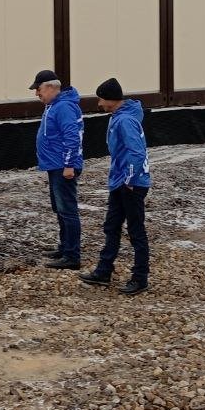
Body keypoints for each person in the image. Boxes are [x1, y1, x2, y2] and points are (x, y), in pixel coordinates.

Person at [79, 77, 152, 296]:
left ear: (110, 99)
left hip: (130, 183)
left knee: (136, 230)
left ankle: (140, 278)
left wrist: (129, 179)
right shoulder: (120, 117)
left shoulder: (124, 121)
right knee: (111, 226)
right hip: (121, 181)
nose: (99, 103)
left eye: (101, 99)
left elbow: (136, 152)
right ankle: (104, 270)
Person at [29, 69, 84, 269]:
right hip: (55, 165)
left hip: (63, 167)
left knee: (67, 210)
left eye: (39, 89)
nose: (37, 94)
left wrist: (69, 165)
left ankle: (72, 256)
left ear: (51, 87)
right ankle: (65, 247)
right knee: (60, 209)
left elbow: (72, 136)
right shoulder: (54, 106)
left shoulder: (63, 107)